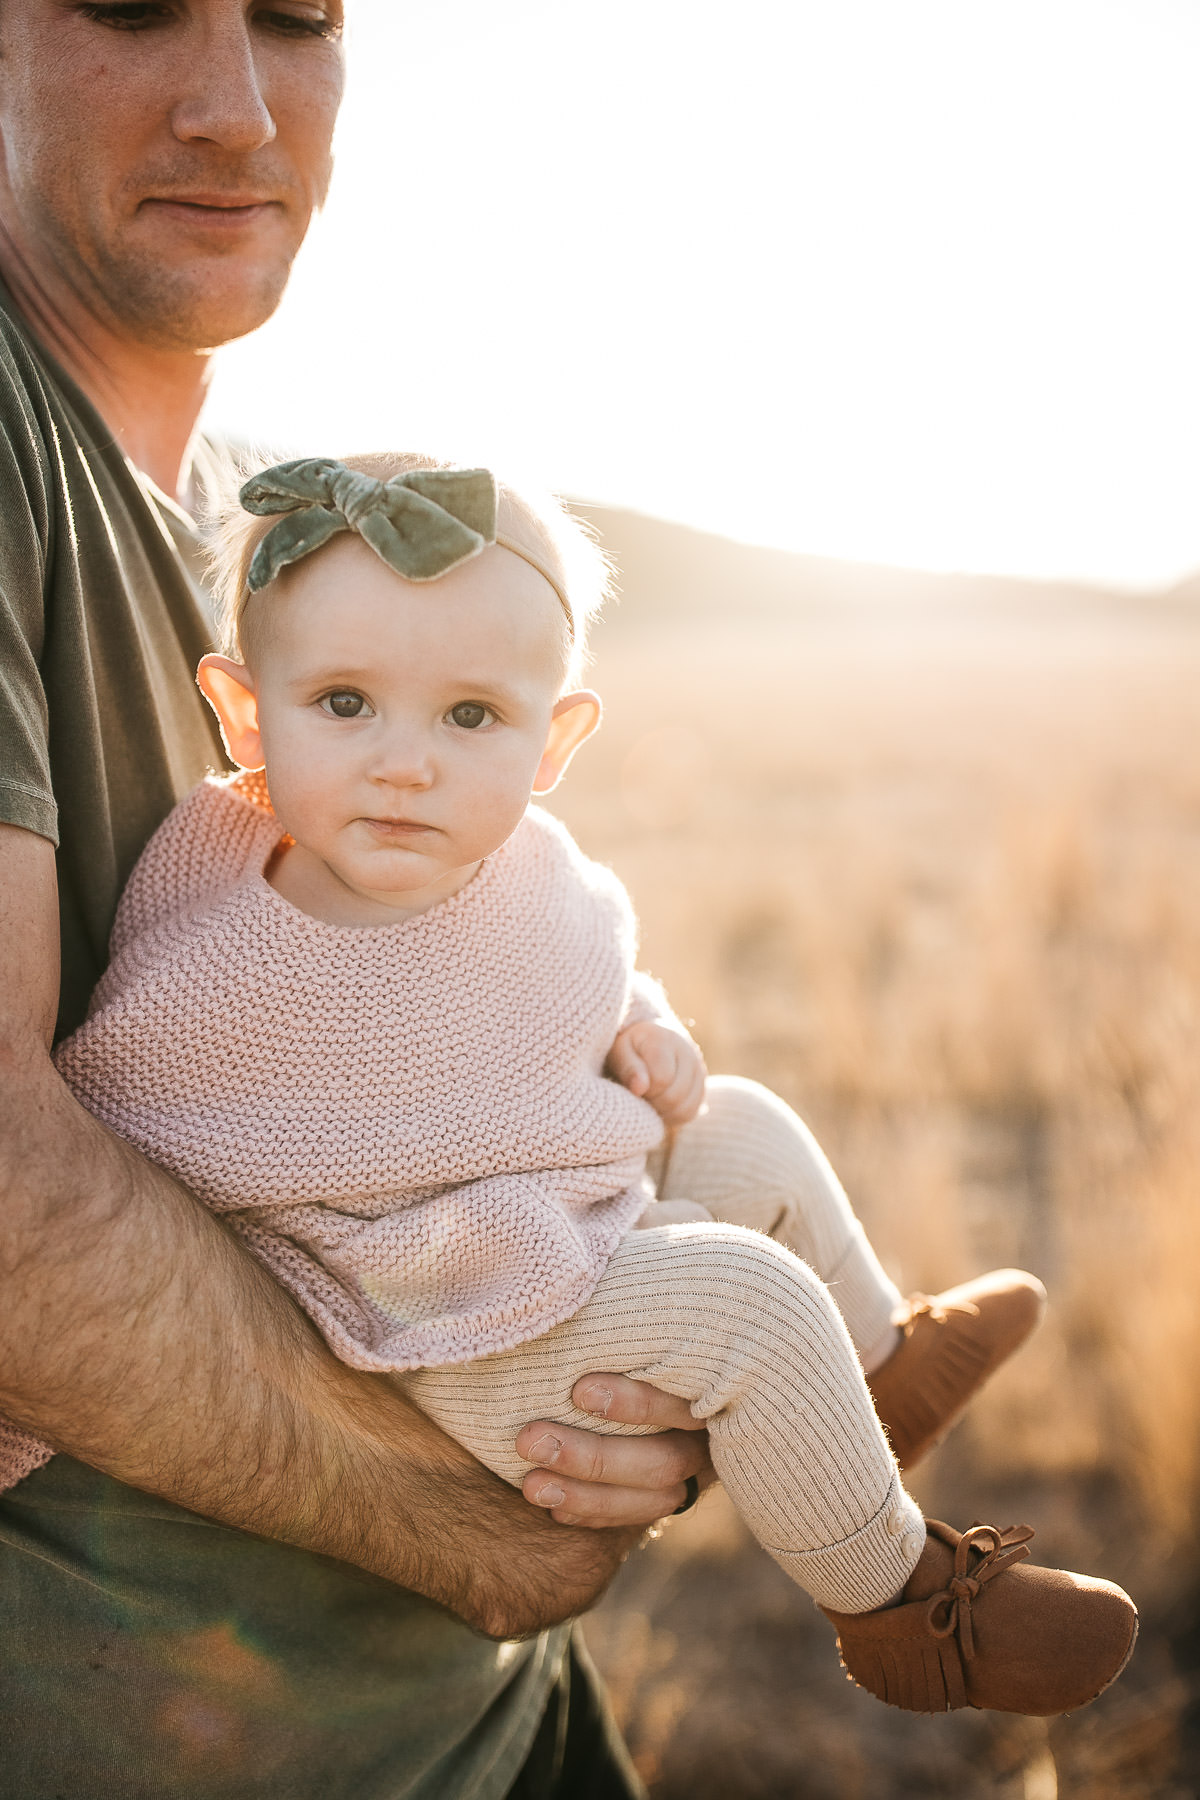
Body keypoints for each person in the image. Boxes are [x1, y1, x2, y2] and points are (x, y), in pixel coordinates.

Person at [15, 450, 1136, 1723]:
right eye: (342, 701)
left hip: (519, 1210)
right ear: (242, 712)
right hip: (405, 1327)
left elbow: (569, 977)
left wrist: (641, 1028)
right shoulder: (230, 944)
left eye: (470, 718)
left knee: (744, 1130)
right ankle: (906, 1609)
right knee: (752, 1305)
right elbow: (139, 1130)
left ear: (551, 743)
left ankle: (876, 1383)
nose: (405, 763)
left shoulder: (520, 863)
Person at [0, 6, 714, 1796]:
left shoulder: (275, 530)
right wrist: (497, 1532)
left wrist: (627, 1374)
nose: (237, 104)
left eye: (301, 18)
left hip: (490, 1722)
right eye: (135, 1)